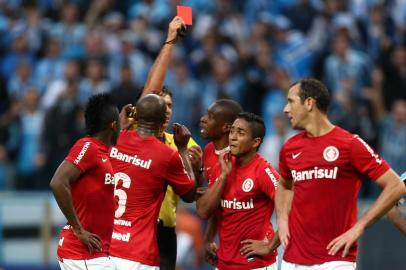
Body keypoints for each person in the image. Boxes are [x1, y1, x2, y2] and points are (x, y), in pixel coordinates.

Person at [276, 78, 406, 270]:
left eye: (291, 101)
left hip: (336, 259)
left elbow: (396, 185)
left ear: (309, 103)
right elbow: (284, 185)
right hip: (293, 259)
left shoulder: (349, 144)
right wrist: (282, 219)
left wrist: (359, 227)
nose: (286, 109)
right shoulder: (289, 148)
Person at [109, 94, 197, 270]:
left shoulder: (114, 141)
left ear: (136, 115)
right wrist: (182, 150)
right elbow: (190, 194)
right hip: (138, 254)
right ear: (164, 119)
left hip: (107, 248)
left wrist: (119, 127)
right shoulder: (166, 155)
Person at [196, 112, 280, 269]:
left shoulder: (263, 171)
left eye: (240, 133)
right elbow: (204, 211)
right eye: (232, 131)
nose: (232, 137)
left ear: (255, 142)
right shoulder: (222, 165)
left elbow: (292, 206)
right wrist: (223, 176)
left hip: (256, 264)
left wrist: (270, 246)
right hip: (223, 262)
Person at [50, 93, 120, 270]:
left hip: (93, 253)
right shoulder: (88, 146)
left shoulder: (103, 151)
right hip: (83, 254)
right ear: (113, 125)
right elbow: (58, 182)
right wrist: (78, 229)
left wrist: (123, 123)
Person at [195, 99, 243, 265]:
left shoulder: (238, 159)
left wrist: (270, 243)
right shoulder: (208, 150)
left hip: (248, 252)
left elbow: (204, 210)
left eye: (211, 116)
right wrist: (208, 238)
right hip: (226, 246)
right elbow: (216, 205)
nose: (203, 119)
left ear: (226, 127)